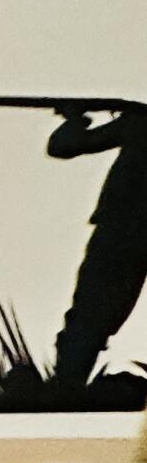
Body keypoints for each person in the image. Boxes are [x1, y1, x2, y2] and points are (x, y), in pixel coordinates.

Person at [48, 100, 147, 388]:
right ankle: (70, 384)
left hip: (123, 228)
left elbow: (63, 146)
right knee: (96, 312)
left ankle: (68, 384)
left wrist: (75, 120)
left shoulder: (139, 124)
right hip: (123, 227)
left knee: (93, 310)